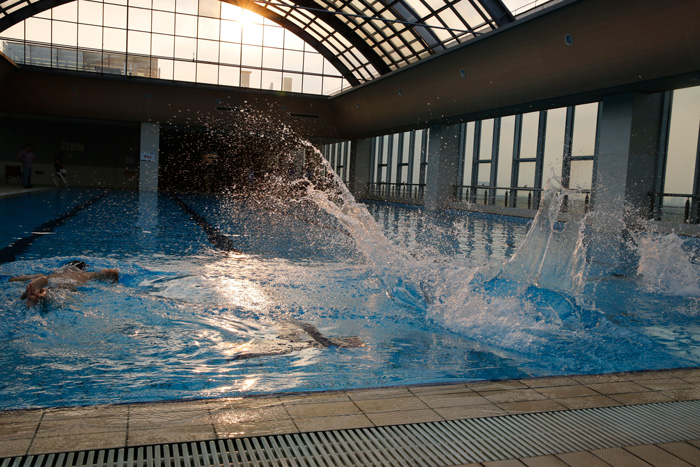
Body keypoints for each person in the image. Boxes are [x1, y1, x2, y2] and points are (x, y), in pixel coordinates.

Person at [9, 260, 119, 307]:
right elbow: (113, 272)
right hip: (69, 284)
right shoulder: (86, 274)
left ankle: (31, 293)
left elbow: (13, 279)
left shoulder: (52, 274)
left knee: (51, 288)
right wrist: (114, 282)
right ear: (82, 269)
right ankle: (43, 294)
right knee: (59, 295)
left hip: (49, 281)